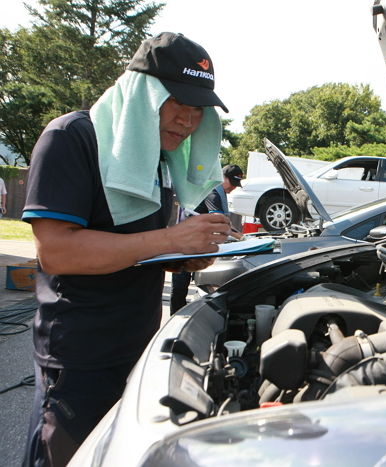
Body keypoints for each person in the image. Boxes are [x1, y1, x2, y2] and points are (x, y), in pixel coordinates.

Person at [21, 32, 231, 467]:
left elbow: (136, 250)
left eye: (198, 110)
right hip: (80, 358)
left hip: (139, 348)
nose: (189, 121)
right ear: (142, 96)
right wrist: (171, 239)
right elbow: (57, 253)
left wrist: (186, 257)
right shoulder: (70, 138)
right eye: (178, 104)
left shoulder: (157, 159)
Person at [169, 164, 243, 313]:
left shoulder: (210, 189)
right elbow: (219, 219)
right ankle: (175, 321)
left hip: (190, 245)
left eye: (236, 185)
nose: (233, 188)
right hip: (185, 246)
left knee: (181, 288)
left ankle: (180, 316)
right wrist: (241, 238)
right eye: (232, 183)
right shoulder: (212, 191)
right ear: (222, 177)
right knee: (179, 289)